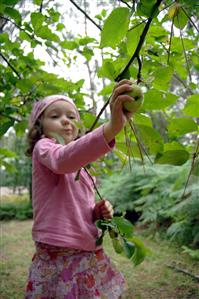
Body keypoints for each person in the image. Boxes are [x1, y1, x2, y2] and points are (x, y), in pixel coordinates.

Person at [25, 79, 134, 299]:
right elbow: (62, 160)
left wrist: (97, 211)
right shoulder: (45, 148)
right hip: (58, 249)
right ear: (40, 127)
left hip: (86, 248)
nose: (65, 121)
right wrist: (112, 128)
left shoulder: (82, 167)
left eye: (71, 116)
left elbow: (79, 206)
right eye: (55, 116)